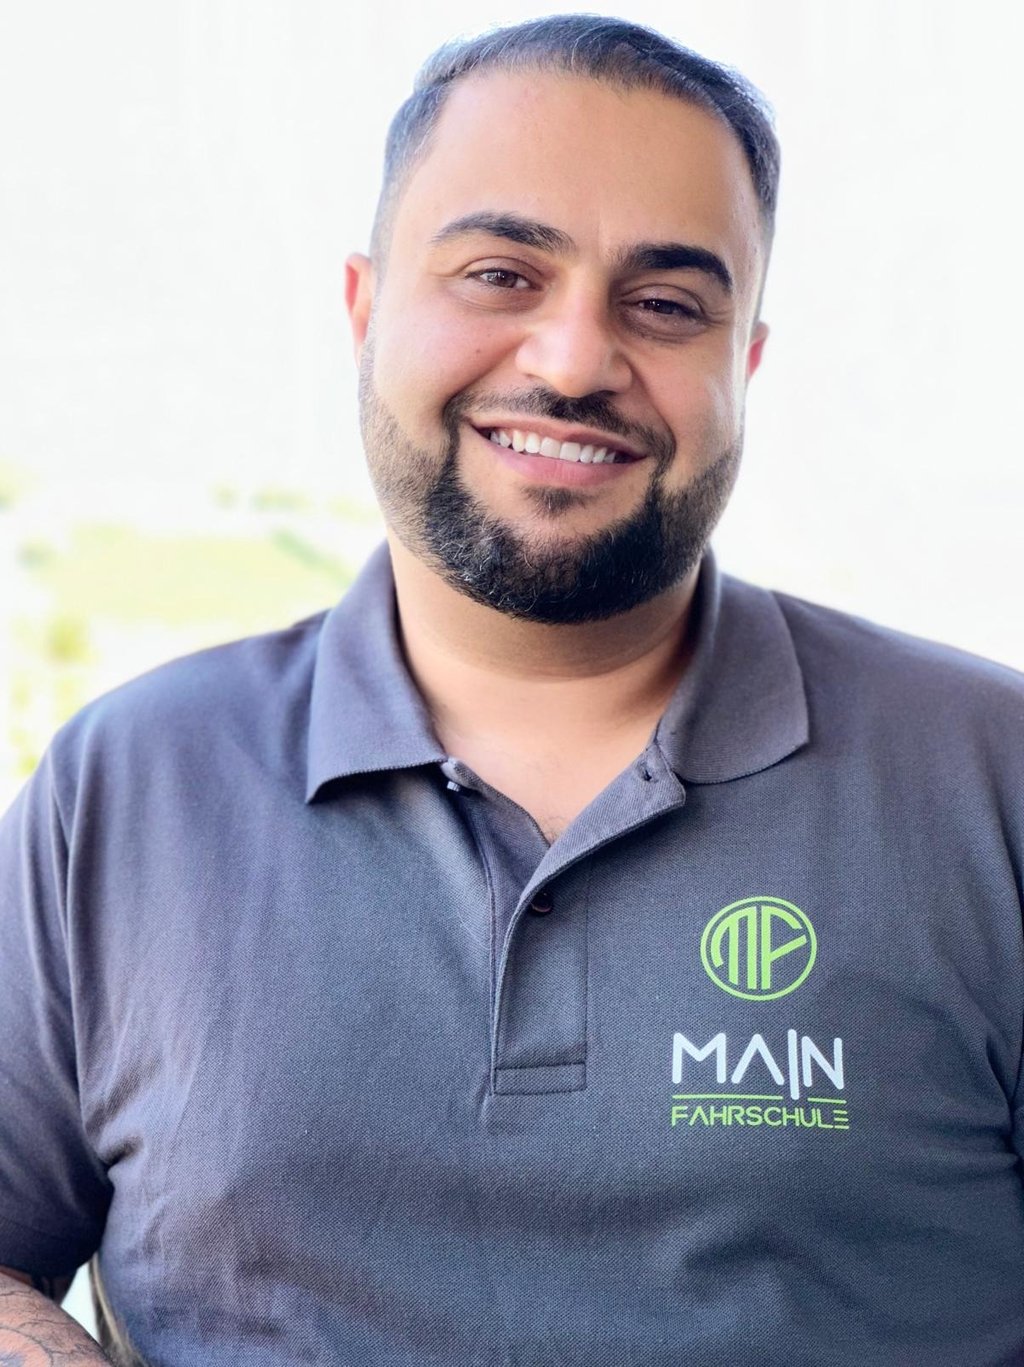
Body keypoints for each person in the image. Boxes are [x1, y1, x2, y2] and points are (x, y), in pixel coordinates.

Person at [1, 13, 1022, 1365]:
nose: (573, 360)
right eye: (500, 275)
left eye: (667, 305)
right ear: (366, 310)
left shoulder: (992, 780)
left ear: (744, 363)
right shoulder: (125, 789)